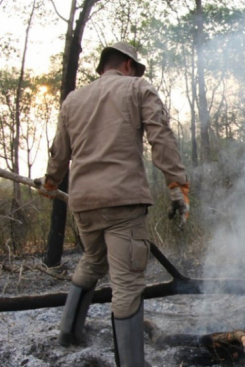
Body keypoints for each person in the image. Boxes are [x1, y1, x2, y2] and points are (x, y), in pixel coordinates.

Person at [36, 42, 190, 367]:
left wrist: (50, 183)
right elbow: (160, 136)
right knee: (128, 282)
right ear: (128, 66)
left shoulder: (73, 100)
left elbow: (59, 153)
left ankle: (68, 332)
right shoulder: (137, 87)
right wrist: (177, 184)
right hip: (124, 201)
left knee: (93, 260)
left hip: (84, 203)